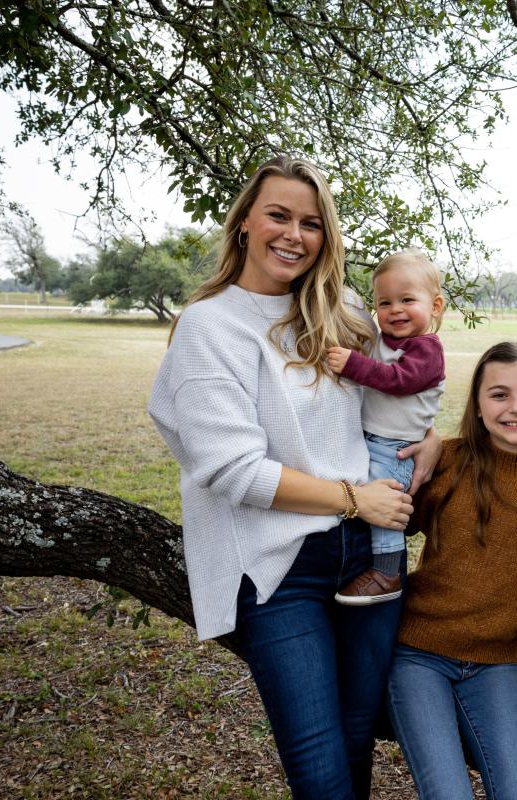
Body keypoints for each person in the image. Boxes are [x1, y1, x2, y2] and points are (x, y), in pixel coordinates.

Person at [147, 155, 438, 799]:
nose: (293, 234)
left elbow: (396, 398)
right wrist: (351, 498)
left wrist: (434, 440)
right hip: (279, 564)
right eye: (278, 215)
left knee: (359, 734)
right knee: (318, 760)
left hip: (369, 552)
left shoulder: (345, 315)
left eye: (312, 223)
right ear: (246, 221)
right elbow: (230, 466)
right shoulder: (210, 325)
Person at [386, 341, 517, 800]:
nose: (516, 408)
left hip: (496, 665)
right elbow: (388, 522)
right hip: (419, 655)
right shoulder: (448, 461)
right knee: (448, 793)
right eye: (498, 395)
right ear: (478, 406)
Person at [325, 249, 446, 605]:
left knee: (385, 511)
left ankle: (387, 572)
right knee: (366, 500)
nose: (394, 310)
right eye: (384, 302)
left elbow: (397, 380)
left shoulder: (427, 350)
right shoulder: (384, 341)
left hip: (396, 449)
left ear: (435, 306)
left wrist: (352, 365)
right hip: (372, 440)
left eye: (407, 300)